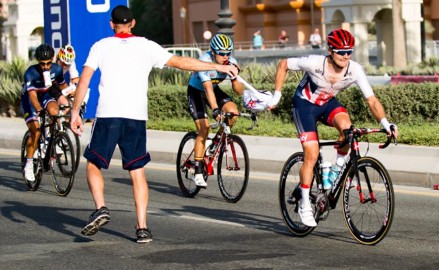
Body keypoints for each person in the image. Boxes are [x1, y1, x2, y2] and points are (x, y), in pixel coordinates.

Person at [69, 5, 238, 244]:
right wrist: (219, 67)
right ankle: (142, 228)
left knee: (93, 164)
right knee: (137, 172)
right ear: (133, 23)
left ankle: (101, 208)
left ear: (111, 24)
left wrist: (75, 112)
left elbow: (84, 78)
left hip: (108, 114)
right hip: (136, 116)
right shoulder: (146, 46)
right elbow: (182, 62)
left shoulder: (101, 46)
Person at [268, 28, 398, 227]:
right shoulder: (314, 62)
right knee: (311, 153)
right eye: (340, 51)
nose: (345, 56)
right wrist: (276, 95)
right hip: (305, 105)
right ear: (330, 50)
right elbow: (283, 64)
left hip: (327, 103)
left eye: (349, 52)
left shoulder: (354, 69)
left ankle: (337, 169)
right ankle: (304, 203)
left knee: (348, 129)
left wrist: (385, 124)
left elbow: (371, 100)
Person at [187, 33, 244, 188]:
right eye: (222, 54)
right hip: (197, 91)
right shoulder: (204, 61)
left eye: (228, 53)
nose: (226, 57)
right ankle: (197, 170)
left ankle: (215, 143)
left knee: (233, 113)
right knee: (204, 129)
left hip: (214, 88)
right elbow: (207, 89)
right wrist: (215, 110)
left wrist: (235, 77)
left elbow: (239, 91)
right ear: (213, 52)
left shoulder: (231, 62)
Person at [21, 44, 70, 182]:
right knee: (35, 131)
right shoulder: (31, 72)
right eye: (42, 64)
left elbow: (63, 86)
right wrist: (39, 109)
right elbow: (32, 96)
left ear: (53, 59)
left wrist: (74, 97)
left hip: (45, 96)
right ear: (38, 61)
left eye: (48, 63)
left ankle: (49, 140)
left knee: (55, 112)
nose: (46, 67)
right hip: (30, 101)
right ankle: (29, 163)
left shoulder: (57, 69)